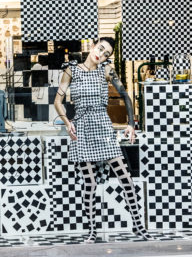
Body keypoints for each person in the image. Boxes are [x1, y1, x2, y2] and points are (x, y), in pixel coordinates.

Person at [54, 37, 150, 242]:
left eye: (106, 54)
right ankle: (91, 232)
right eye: (100, 48)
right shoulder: (71, 70)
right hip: (81, 129)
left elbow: (125, 95)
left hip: (103, 128)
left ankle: (139, 226)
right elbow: (57, 101)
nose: (101, 54)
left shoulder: (106, 70)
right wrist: (67, 122)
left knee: (127, 180)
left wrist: (131, 124)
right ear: (92, 45)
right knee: (89, 184)